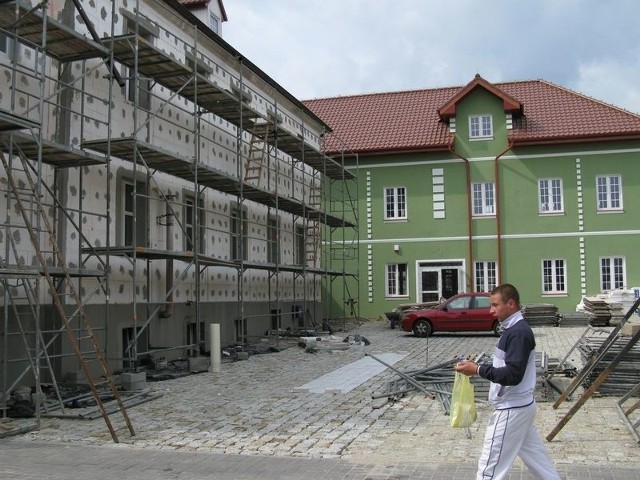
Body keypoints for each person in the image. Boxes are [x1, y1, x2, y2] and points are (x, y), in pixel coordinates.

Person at [454, 284, 561, 480]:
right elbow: (507, 366)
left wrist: (476, 369)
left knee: (489, 470)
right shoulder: (512, 330)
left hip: (511, 409)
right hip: (521, 407)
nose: (491, 310)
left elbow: (513, 375)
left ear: (510, 304)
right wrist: (476, 366)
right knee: (541, 466)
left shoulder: (518, 333)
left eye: (495, 305)